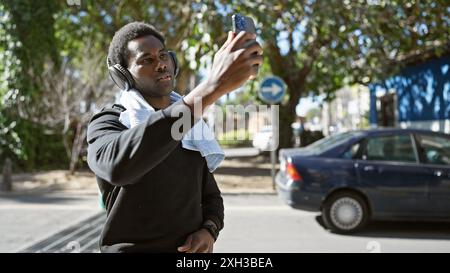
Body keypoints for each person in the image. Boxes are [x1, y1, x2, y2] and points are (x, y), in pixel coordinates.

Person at [86, 22, 263, 253]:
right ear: (123, 75)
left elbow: (211, 196)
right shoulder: (110, 120)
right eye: (146, 60)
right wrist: (210, 88)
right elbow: (116, 166)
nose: (160, 64)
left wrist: (209, 230)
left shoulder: (192, 126)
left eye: (163, 56)